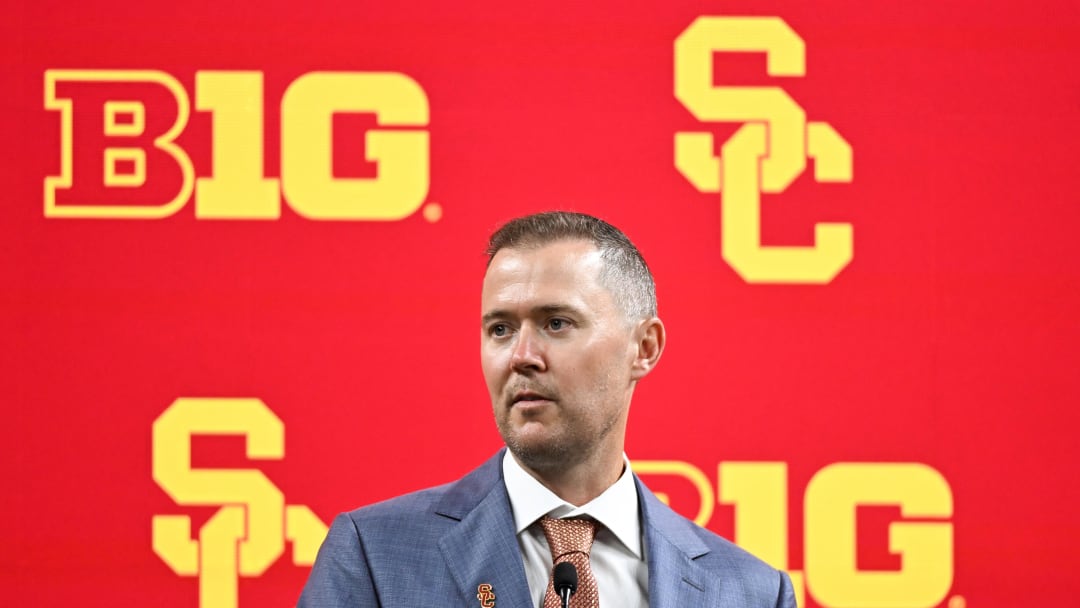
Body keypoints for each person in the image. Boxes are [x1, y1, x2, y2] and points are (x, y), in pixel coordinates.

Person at [298, 211, 796, 607]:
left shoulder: (752, 593)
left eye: (556, 323)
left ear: (643, 347)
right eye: (500, 329)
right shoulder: (376, 557)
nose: (521, 356)